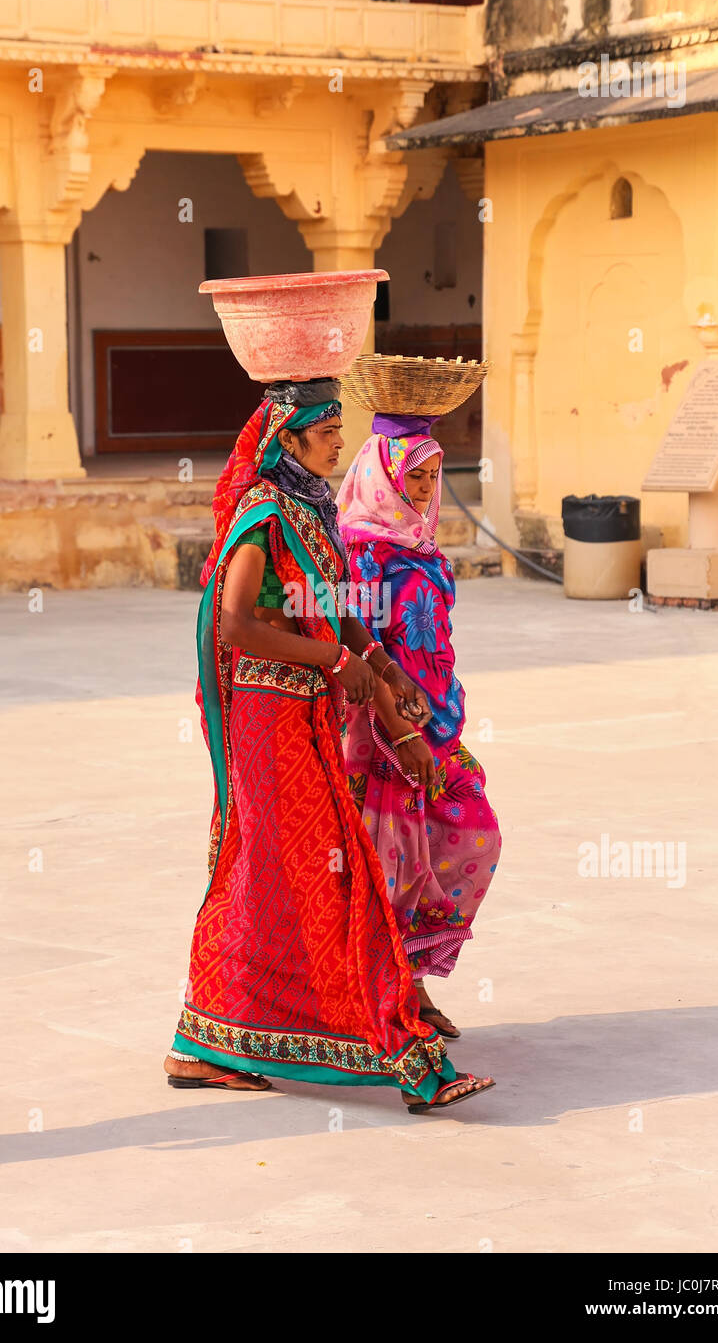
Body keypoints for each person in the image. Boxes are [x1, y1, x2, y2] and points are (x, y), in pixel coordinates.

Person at [164, 382, 494, 1111]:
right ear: (290, 439)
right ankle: (393, 1047)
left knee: (286, 873)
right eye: (327, 430)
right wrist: (340, 666)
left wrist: (382, 679)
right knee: (306, 871)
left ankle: (214, 1036)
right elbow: (237, 625)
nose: (339, 443)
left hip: (308, 709)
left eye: (341, 428)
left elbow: (339, 617)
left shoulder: (313, 512)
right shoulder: (263, 514)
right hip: (265, 715)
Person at [337, 423, 502, 1039]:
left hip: (435, 724)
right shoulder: (359, 550)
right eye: (415, 477)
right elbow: (354, 641)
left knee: (471, 835)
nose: (427, 489)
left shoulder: (423, 547)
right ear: (384, 477)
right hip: (380, 733)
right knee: (391, 867)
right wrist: (396, 725)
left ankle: (407, 981)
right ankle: (395, 999)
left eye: (434, 477)